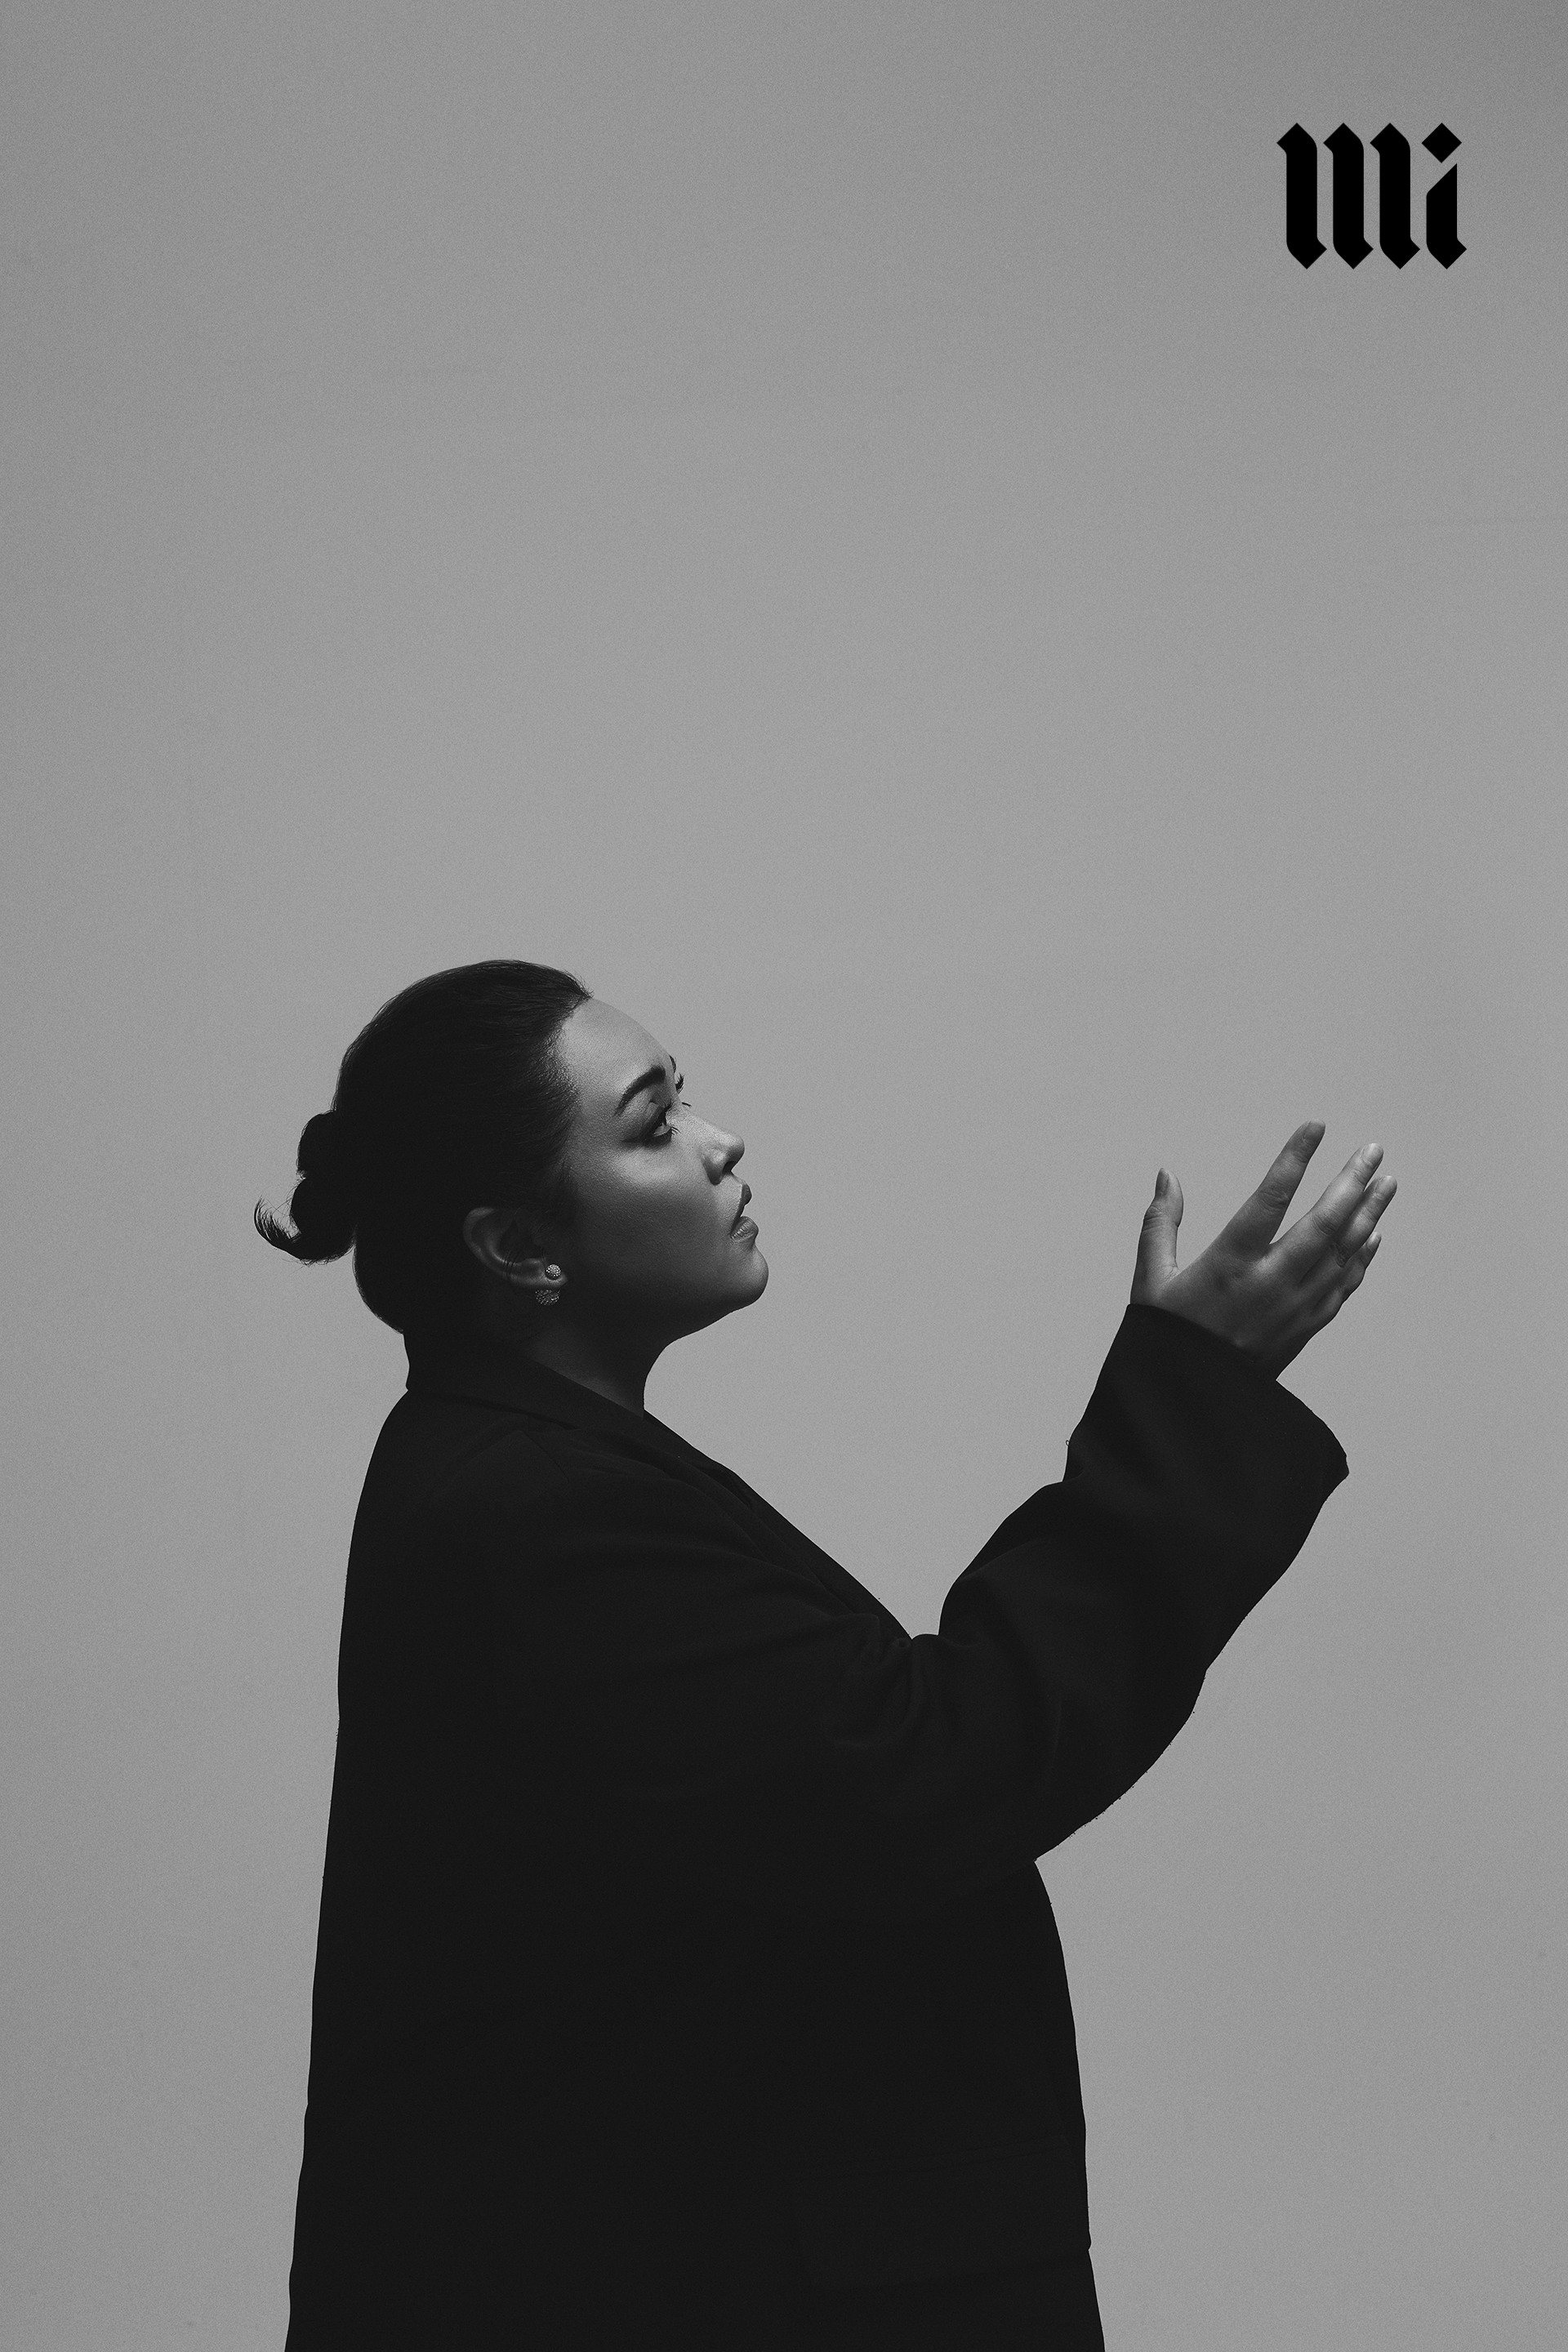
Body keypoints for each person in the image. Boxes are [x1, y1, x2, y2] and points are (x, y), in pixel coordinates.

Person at [256, 958, 1394, 2350]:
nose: (720, 1140)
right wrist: (1193, 1393)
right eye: (654, 1124)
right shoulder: (529, 1514)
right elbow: (931, 1769)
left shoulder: (532, 1474)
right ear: (515, 1246)